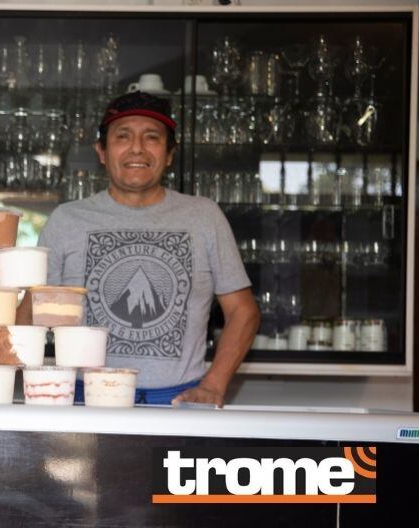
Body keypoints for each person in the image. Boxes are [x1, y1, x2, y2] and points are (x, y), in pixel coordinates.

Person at [22, 91, 259, 407]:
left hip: (178, 401)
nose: (137, 148)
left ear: (170, 153)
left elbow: (243, 311)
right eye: (123, 136)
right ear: (102, 152)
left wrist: (214, 385)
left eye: (152, 137)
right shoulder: (66, 220)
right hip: (84, 401)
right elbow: (28, 316)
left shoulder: (204, 216)